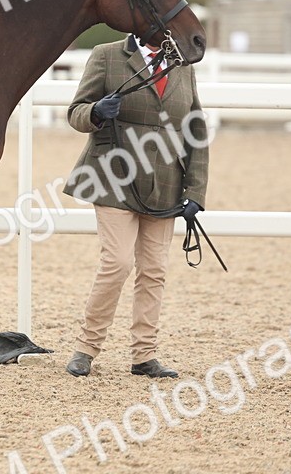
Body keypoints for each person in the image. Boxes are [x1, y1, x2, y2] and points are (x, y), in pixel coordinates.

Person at [61, 33, 209, 378]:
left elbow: (195, 129)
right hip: (113, 175)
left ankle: (144, 356)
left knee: (155, 269)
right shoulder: (107, 55)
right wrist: (96, 112)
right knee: (117, 263)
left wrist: (196, 190)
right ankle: (86, 348)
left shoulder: (181, 63)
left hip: (165, 182)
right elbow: (75, 113)